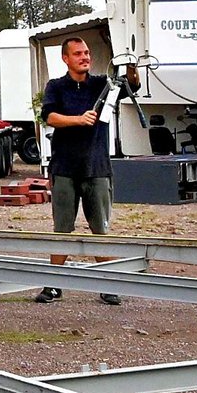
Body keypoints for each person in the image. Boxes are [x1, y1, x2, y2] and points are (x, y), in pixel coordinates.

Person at [34, 36, 120, 305]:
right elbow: (49, 116)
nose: (84, 57)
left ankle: (108, 285)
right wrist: (78, 119)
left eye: (87, 52)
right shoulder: (56, 86)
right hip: (65, 168)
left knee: (100, 229)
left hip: (97, 169)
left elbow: (132, 87)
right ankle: (53, 285)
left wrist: (130, 65)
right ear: (66, 58)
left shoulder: (102, 85)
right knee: (62, 229)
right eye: (78, 53)